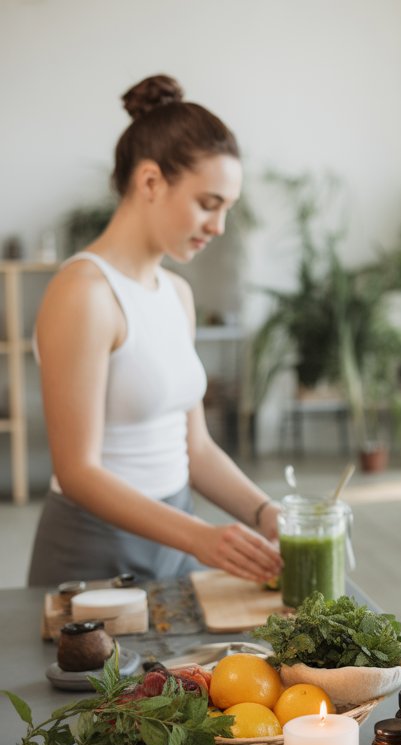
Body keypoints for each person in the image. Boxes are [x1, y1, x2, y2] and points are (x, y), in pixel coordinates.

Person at [27, 75, 282, 587]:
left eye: (226, 209)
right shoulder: (85, 294)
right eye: (208, 204)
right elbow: (77, 472)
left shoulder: (176, 295)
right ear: (149, 182)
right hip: (93, 558)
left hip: (175, 546)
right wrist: (199, 537)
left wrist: (266, 513)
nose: (218, 227)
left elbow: (196, 448)